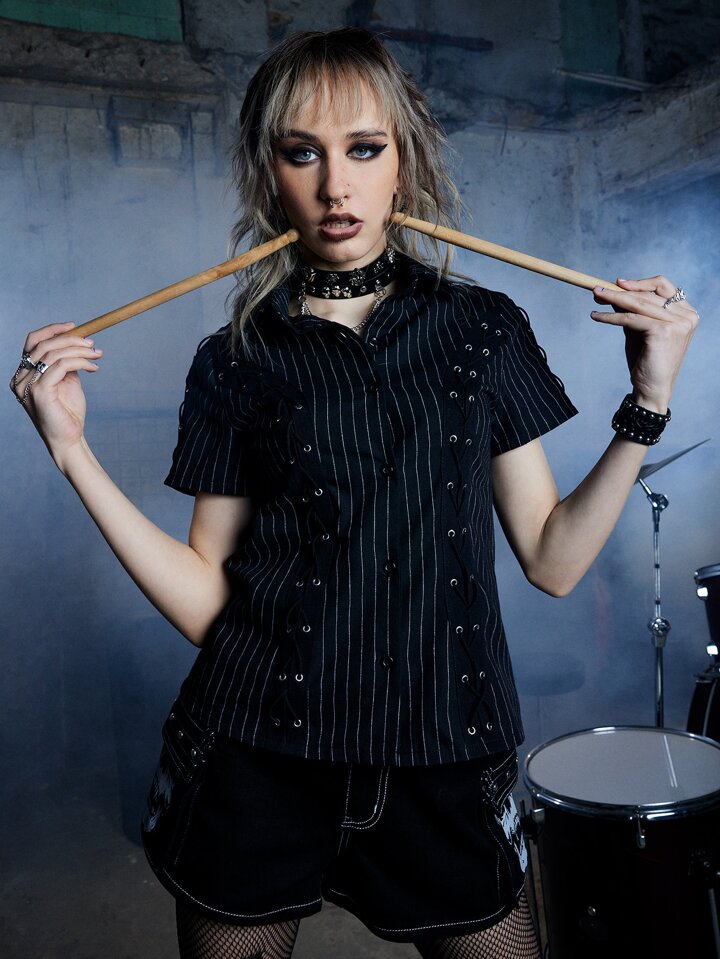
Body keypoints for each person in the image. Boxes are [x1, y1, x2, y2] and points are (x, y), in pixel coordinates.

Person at [10, 27, 697, 959]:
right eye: (304, 153)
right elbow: (207, 602)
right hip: (257, 751)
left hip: (444, 748)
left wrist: (648, 401)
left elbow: (554, 559)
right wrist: (72, 452)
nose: (337, 186)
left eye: (364, 149)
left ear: (403, 160)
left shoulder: (481, 329)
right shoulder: (235, 359)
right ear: (270, 173)